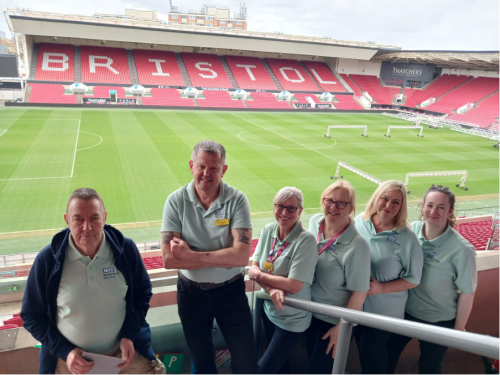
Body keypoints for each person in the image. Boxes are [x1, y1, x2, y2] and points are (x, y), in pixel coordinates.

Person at [21, 188, 165, 375]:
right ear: (67, 220)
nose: (87, 227)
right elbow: (31, 316)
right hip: (71, 361)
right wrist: (66, 351)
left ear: (105, 218)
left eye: (94, 218)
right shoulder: (48, 260)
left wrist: (129, 335)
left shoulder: (126, 250)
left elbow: (143, 294)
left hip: (122, 356)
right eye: (78, 219)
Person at [161, 140, 258, 375]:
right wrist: (221, 256)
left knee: (246, 361)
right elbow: (169, 260)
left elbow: (241, 256)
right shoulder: (175, 201)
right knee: (202, 361)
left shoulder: (237, 200)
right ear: (192, 166)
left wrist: (191, 255)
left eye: (214, 168)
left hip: (230, 292)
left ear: (223, 170)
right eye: (202, 166)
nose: (207, 173)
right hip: (190, 293)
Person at [386, 185, 477, 375]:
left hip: (440, 320)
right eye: (429, 205)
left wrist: (458, 328)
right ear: (422, 207)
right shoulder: (412, 230)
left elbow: (467, 292)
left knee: (430, 367)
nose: (433, 211)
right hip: (406, 312)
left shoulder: (462, 250)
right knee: (387, 355)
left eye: (441, 207)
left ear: (450, 211)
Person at [353, 180, 423, 375]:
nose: (388, 205)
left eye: (395, 202)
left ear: (402, 206)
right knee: (363, 353)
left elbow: (414, 278)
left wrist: (382, 288)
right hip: (354, 306)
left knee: (372, 356)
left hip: (383, 313)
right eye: (385, 199)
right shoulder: (359, 221)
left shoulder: (407, 238)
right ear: (377, 198)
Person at [249, 186, 318, 375]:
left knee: (263, 370)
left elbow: (294, 286)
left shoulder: (306, 241)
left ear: (300, 211)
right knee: (280, 369)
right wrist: (271, 289)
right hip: (269, 311)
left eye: (291, 208)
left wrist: (260, 276)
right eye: (280, 206)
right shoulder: (268, 229)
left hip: (292, 320)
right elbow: (255, 264)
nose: (284, 212)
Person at [305, 180, 370, 375]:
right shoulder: (315, 221)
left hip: (332, 321)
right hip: (307, 312)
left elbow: (360, 292)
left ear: (351, 208)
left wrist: (341, 328)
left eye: (342, 203)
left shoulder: (358, 246)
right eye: (329, 201)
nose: (334, 207)